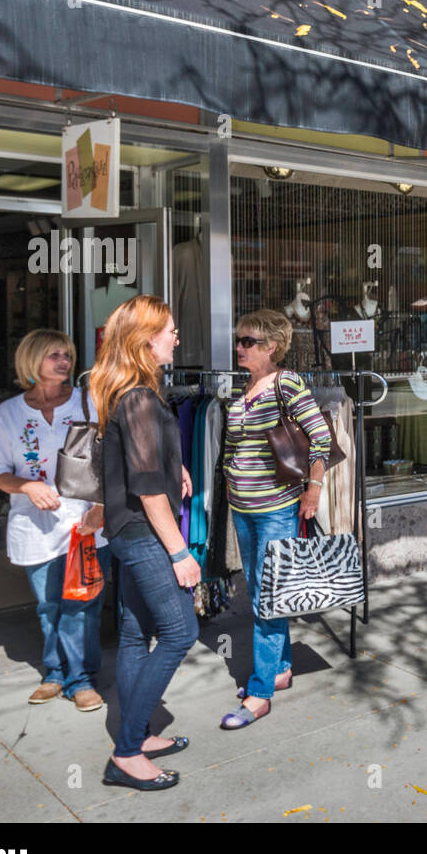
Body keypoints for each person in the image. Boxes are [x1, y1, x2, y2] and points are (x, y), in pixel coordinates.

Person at [90, 295, 198, 791]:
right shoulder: (137, 396)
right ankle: (127, 752)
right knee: (180, 632)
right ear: (144, 339)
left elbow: (145, 464)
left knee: (136, 635)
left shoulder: (131, 392)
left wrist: (175, 464)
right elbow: (148, 489)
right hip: (143, 534)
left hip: (126, 532)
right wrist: (180, 552)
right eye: (169, 331)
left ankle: (140, 732)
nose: (176, 337)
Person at [0, 330, 110, 711]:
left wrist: (101, 508)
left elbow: (109, 461)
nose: (64, 362)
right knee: (49, 605)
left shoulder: (89, 404)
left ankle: (81, 679)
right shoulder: (9, 413)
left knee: (81, 604)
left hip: (84, 522)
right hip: (33, 525)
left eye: (67, 355)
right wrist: (26, 487)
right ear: (31, 361)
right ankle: (55, 672)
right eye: (54, 355)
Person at [219, 309, 332, 729]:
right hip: (243, 508)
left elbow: (320, 439)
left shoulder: (287, 383)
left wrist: (313, 490)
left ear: (271, 347)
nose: (239, 348)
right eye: (238, 340)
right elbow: (233, 448)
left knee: (268, 598)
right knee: (265, 592)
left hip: (276, 509)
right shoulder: (242, 388)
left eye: (247, 341)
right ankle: (281, 667)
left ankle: (260, 691)